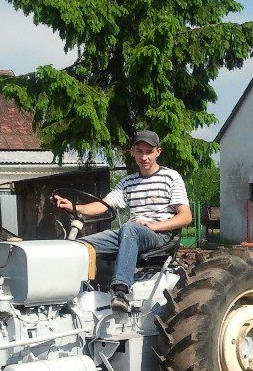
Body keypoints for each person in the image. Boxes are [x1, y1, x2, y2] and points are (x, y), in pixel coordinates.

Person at [52, 130, 191, 313]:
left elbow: (185, 216)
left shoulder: (170, 177)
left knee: (129, 228)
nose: (144, 157)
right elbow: (102, 205)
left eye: (149, 152)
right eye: (139, 151)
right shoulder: (128, 182)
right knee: (78, 246)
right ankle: (68, 296)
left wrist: (153, 225)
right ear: (134, 152)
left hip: (158, 235)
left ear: (158, 152)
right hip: (130, 234)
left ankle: (120, 292)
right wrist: (73, 207)